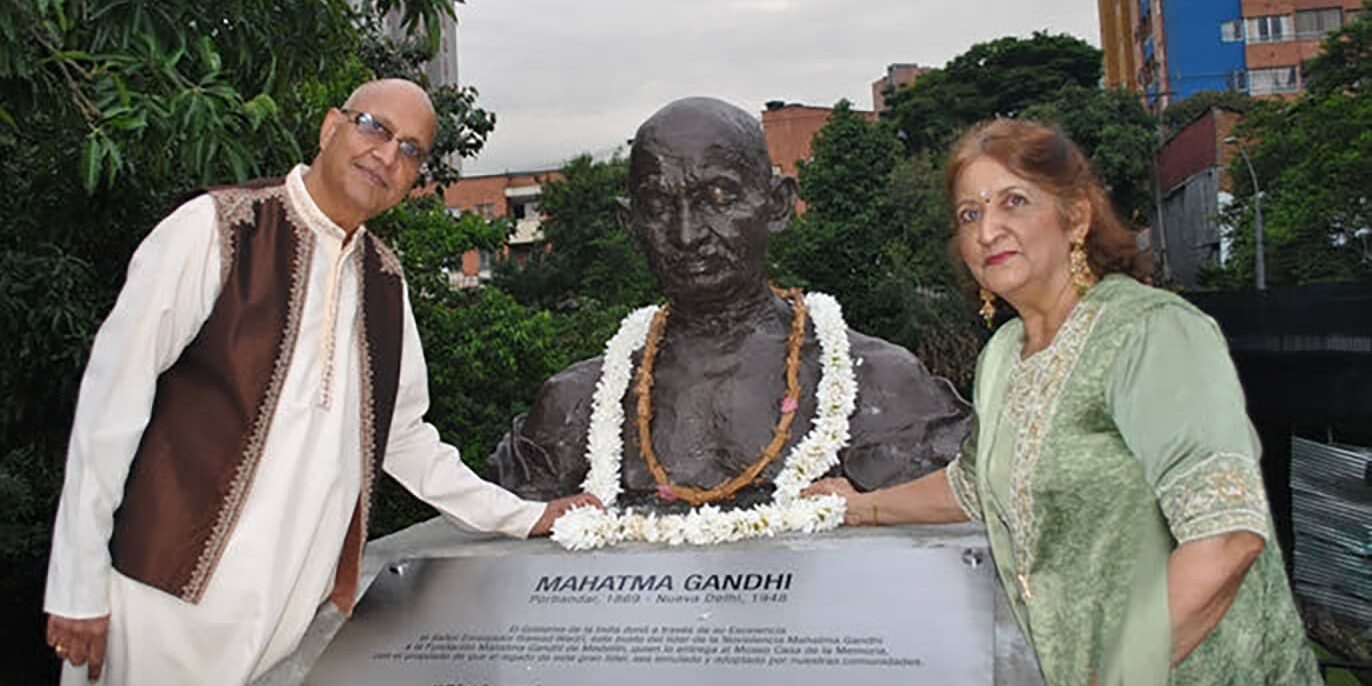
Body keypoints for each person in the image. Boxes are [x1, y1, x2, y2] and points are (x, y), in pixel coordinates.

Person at [43, 78, 599, 685]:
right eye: (375, 128)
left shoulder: (385, 283)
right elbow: (109, 404)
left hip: (288, 619)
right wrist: (76, 585)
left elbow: (404, 439)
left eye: (411, 150)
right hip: (161, 606)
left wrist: (523, 517)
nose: (388, 156)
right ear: (330, 127)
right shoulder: (216, 229)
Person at [804, 119, 1321, 685]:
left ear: (1075, 217)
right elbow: (978, 487)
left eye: (1014, 201)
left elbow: (1226, 537)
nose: (987, 230)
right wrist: (855, 506)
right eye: (969, 214)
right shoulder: (1004, 354)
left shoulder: (1151, 335)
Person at [489, 97, 971, 511]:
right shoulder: (574, 407)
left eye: (718, 197)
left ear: (777, 205)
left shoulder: (881, 386)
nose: (687, 234)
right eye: (657, 206)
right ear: (630, 224)